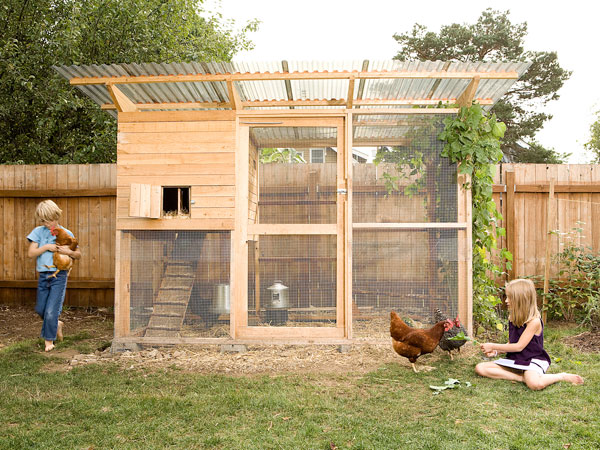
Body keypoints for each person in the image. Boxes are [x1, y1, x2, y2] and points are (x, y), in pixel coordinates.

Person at [475, 278, 583, 390]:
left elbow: (519, 346)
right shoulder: (512, 317)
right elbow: (511, 343)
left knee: (535, 384)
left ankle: (561, 376)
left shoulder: (534, 322)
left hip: (532, 360)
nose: (506, 301)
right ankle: (521, 378)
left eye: (510, 297)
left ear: (521, 300)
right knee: (480, 368)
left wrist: (493, 345)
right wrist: (497, 351)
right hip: (515, 359)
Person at [27, 200, 81, 352]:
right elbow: (31, 253)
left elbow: (78, 254)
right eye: (44, 221)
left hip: (59, 276)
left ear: (57, 216)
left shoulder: (67, 233)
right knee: (40, 309)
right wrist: (46, 247)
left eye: (50, 220)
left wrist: (68, 252)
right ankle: (56, 324)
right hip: (43, 276)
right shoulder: (38, 232)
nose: (47, 224)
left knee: (51, 311)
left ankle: (49, 341)